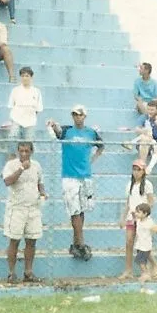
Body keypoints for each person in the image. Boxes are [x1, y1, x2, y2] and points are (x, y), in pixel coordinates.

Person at [47, 106, 105, 260]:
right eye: (74, 115)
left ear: (85, 116)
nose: (77, 117)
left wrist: (92, 160)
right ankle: (81, 243)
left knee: (82, 209)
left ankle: (76, 243)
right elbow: (57, 132)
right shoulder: (67, 131)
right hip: (69, 176)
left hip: (85, 176)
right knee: (74, 210)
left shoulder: (91, 132)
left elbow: (101, 146)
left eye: (80, 115)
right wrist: (53, 124)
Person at [2, 141, 47, 283]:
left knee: (31, 241)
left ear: (31, 152)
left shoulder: (37, 166)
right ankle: (11, 273)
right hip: (17, 208)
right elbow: (7, 181)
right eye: (21, 151)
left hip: (33, 208)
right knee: (14, 240)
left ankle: (28, 272)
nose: (23, 154)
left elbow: (40, 182)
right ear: (17, 151)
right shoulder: (11, 165)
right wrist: (21, 168)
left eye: (26, 151)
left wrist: (43, 193)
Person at [119, 160, 155, 279]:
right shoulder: (130, 185)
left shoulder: (148, 185)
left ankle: (151, 267)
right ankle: (128, 270)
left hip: (141, 219)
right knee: (129, 242)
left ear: (143, 171)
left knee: (142, 244)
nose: (135, 172)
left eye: (138, 169)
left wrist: (144, 214)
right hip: (131, 218)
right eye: (134, 169)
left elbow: (151, 201)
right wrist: (123, 218)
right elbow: (128, 203)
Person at [7, 66, 43, 149]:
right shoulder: (15, 90)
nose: (25, 78)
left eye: (27, 76)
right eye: (23, 76)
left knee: (29, 144)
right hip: (16, 120)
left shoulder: (36, 91)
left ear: (31, 77)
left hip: (30, 122)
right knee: (12, 140)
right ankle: (11, 159)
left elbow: (38, 109)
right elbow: (11, 106)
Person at [129, 203, 157, 281]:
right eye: (136, 212)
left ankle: (146, 274)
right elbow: (135, 219)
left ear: (145, 214)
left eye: (138, 212)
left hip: (145, 245)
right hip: (140, 245)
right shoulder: (139, 220)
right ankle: (147, 272)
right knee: (142, 260)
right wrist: (133, 214)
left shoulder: (148, 222)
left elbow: (155, 228)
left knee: (141, 261)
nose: (136, 213)